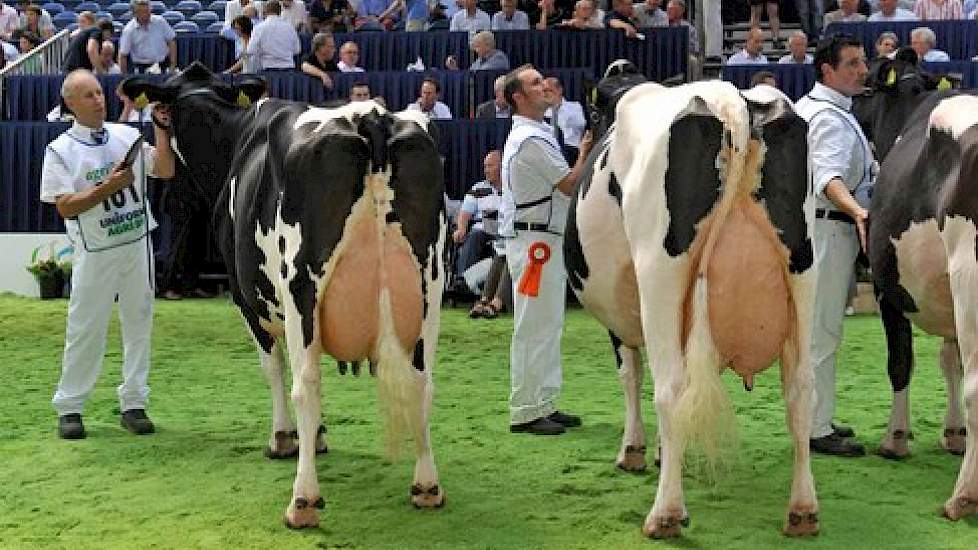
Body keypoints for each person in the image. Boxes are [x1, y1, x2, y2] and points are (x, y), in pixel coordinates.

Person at [40, 69, 176, 439]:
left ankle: (134, 402)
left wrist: (162, 129)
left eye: (99, 93)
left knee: (139, 322)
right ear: (70, 104)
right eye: (88, 96)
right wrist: (108, 187)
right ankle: (70, 406)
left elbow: (164, 169)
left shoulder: (127, 134)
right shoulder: (60, 150)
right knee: (86, 328)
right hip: (95, 249)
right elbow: (65, 206)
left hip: (136, 243)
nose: (98, 100)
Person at [499, 64, 593, 435]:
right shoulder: (531, 139)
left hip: (543, 237)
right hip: (535, 240)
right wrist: (585, 151)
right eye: (535, 83)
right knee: (533, 325)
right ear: (517, 98)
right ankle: (525, 409)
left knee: (547, 324)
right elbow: (570, 183)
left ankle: (544, 402)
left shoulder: (536, 133)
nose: (545, 86)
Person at [794, 35, 873, 457]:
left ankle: (816, 415)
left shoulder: (820, 109)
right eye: (852, 64)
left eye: (862, 63)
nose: (862, 71)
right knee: (821, 331)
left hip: (818, 229)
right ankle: (814, 427)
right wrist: (858, 212)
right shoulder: (826, 117)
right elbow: (829, 179)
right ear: (827, 70)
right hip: (827, 230)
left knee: (817, 331)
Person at [454, 150, 504, 287]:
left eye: (490, 166)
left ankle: (484, 285)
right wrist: (461, 229)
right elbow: (465, 213)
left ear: (502, 167)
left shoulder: (512, 188)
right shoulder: (478, 188)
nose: (486, 170)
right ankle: (461, 281)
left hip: (505, 231)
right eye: (485, 166)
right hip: (482, 229)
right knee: (475, 236)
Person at [118, 0, 177, 74]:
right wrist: (123, 75)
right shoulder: (129, 30)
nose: (145, 14)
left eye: (147, 11)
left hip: (163, 65)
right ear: (134, 13)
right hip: (142, 68)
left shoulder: (160, 22)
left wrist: (173, 65)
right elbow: (123, 54)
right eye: (141, 12)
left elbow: (171, 41)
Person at [247, 0, 301, 71]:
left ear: (264, 11)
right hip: (288, 71)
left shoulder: (258, 28)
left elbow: (251, 50)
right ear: (280, 11)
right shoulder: (290, 27)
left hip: (267, 71)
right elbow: (297, 50)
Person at [543, 76, 586, 165]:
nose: (545, 94)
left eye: (548, 90)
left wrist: (557, 108)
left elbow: (581, 125)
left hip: (572, 151)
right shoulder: (542, 111)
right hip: (549, 152)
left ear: (559, 90)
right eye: (544, 91)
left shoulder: (574, 107)